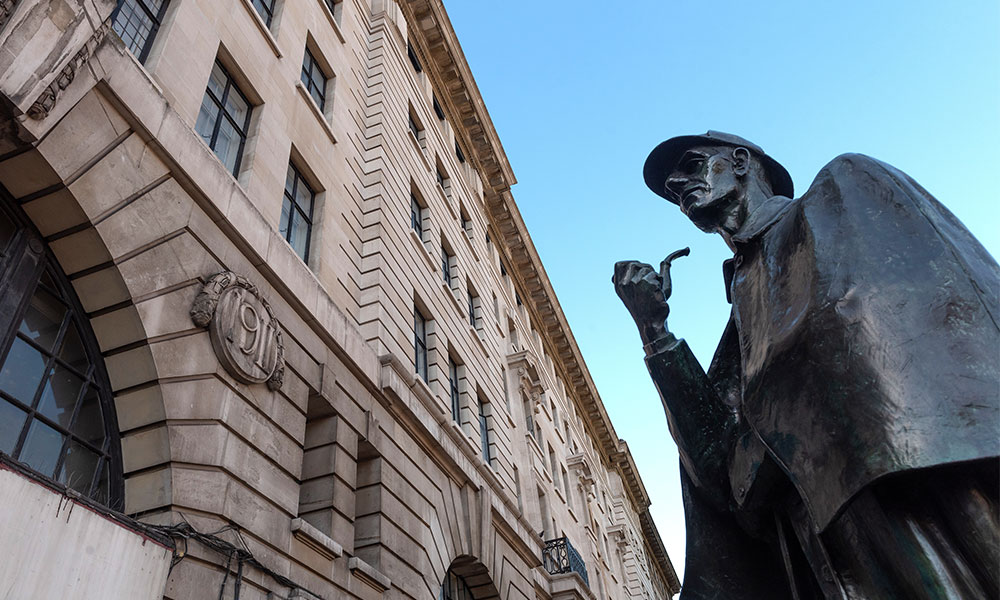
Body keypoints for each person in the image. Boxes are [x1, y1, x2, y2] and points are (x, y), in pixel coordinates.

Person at [613, 132, 999, 599]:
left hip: (918, 497)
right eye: (674, 189)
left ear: (739, 161)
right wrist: (655, 331)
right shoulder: (739, 321)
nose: (679, 185)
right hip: (822, 549)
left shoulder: (842, 193)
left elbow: (950, 338)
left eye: (693, 165)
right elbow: (721, 475)